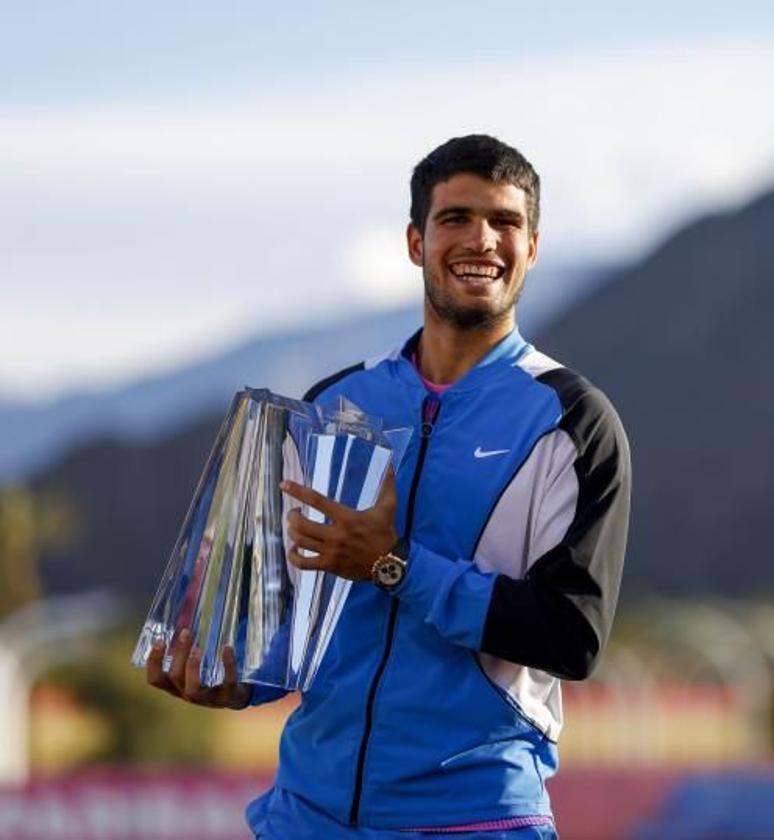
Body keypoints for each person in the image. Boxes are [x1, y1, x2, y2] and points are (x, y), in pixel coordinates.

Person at [146, 134, 632, 838]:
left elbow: (571, 636)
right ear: (416, 241)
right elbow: (296, 611)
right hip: (305, 815)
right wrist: (238, 680)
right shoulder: (337, 400)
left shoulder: (571, 419)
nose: (482, 240)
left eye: (505, 222)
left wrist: (394, 565)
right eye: (456, 218)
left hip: (472, 819)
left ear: (532, 246)